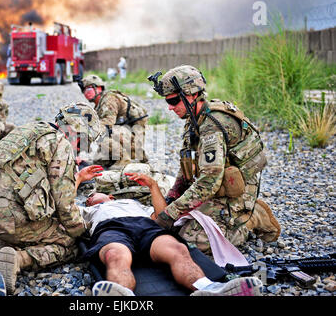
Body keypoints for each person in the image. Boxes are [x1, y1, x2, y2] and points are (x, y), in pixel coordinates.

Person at [0, 102, 105, 293]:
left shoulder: (29, 128)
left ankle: (4, 248)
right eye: (82, 141)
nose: (79, 148)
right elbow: (64, 203)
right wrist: (80, 231)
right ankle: (19, 260)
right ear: (78, 132)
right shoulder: (61, 143)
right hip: (12, 220)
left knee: (27, 224)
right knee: (68, 243)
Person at [146, 65, 281, 254]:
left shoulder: (213, 126)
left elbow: (209, 181)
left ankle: (251, 218)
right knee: (173, 228)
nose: (170, 107)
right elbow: (187, 167)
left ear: (191, 95)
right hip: (216, 187)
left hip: (235, 192)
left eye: (174, 101)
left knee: (194, 241)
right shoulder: (193, 120)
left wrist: (170, 213)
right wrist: (171, 199)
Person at [81, 192, 263, 296]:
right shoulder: (89, 210)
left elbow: (161, 214)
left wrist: (153, 186)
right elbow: (64, 208)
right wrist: (79, 178)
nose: (89, 198)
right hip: (111, 228)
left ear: (110, 196)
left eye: (92, 195)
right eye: (87, 198)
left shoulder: (132, 202)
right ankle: (123, 296)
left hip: (145, 225)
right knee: (115, 255)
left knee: (178, 249)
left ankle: (208, 289)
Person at [78, 75, 149, 169]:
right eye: (84, 91)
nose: (86, 93)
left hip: (133, 133)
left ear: (98, 88)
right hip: (125, 132)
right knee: (98, 160)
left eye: (89, 88)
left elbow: (108, 123)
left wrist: (87, 132)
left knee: (102, 134)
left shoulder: (109, 99)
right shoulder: (99, 106)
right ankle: (116, 157)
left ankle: (124, 160)